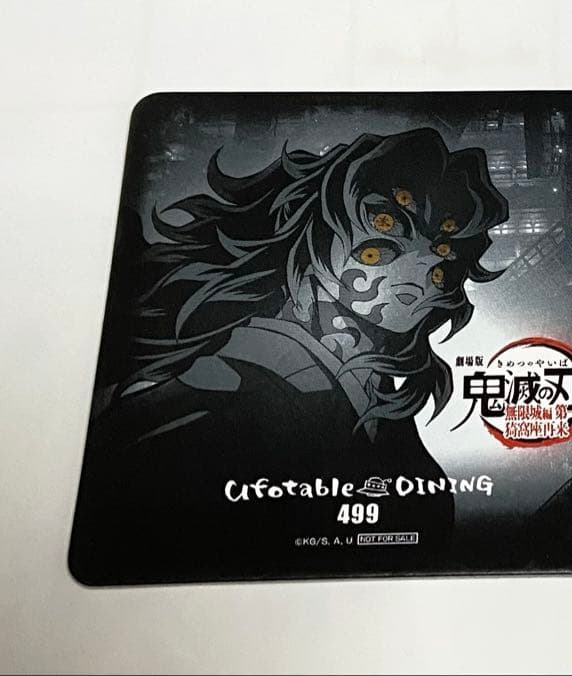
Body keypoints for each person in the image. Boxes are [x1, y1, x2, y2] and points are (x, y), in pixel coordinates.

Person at [70, 128, 508, 584]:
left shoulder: (381, 409)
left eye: (441, 258)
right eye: (385, 235)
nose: (416, 278)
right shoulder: (218, 394)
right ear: (319, 227)